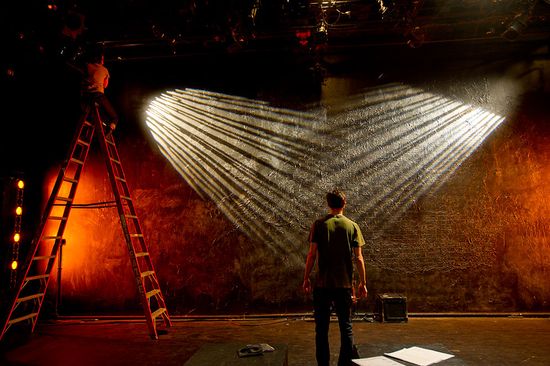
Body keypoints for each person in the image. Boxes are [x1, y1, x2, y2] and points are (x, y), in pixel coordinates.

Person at [303, 189, 368, 366]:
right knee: (346, 327)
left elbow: (311, 255)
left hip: (322, 285)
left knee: (321, 330)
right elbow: (359, 258)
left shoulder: (318, 224)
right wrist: (363, 283)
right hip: (344, 285)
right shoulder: (352, 226)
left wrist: (306, 278)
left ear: (328, 204)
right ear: (344, 203)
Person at [81, 45, 118, 133]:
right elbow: (105, 85)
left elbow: (83, 78)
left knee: (98, 114)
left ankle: (103, 125)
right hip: (98, 95)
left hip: (86, 97)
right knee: (114, 117)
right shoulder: (104, 70)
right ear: (101, 59)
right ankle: (108, 129)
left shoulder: (87, 65)